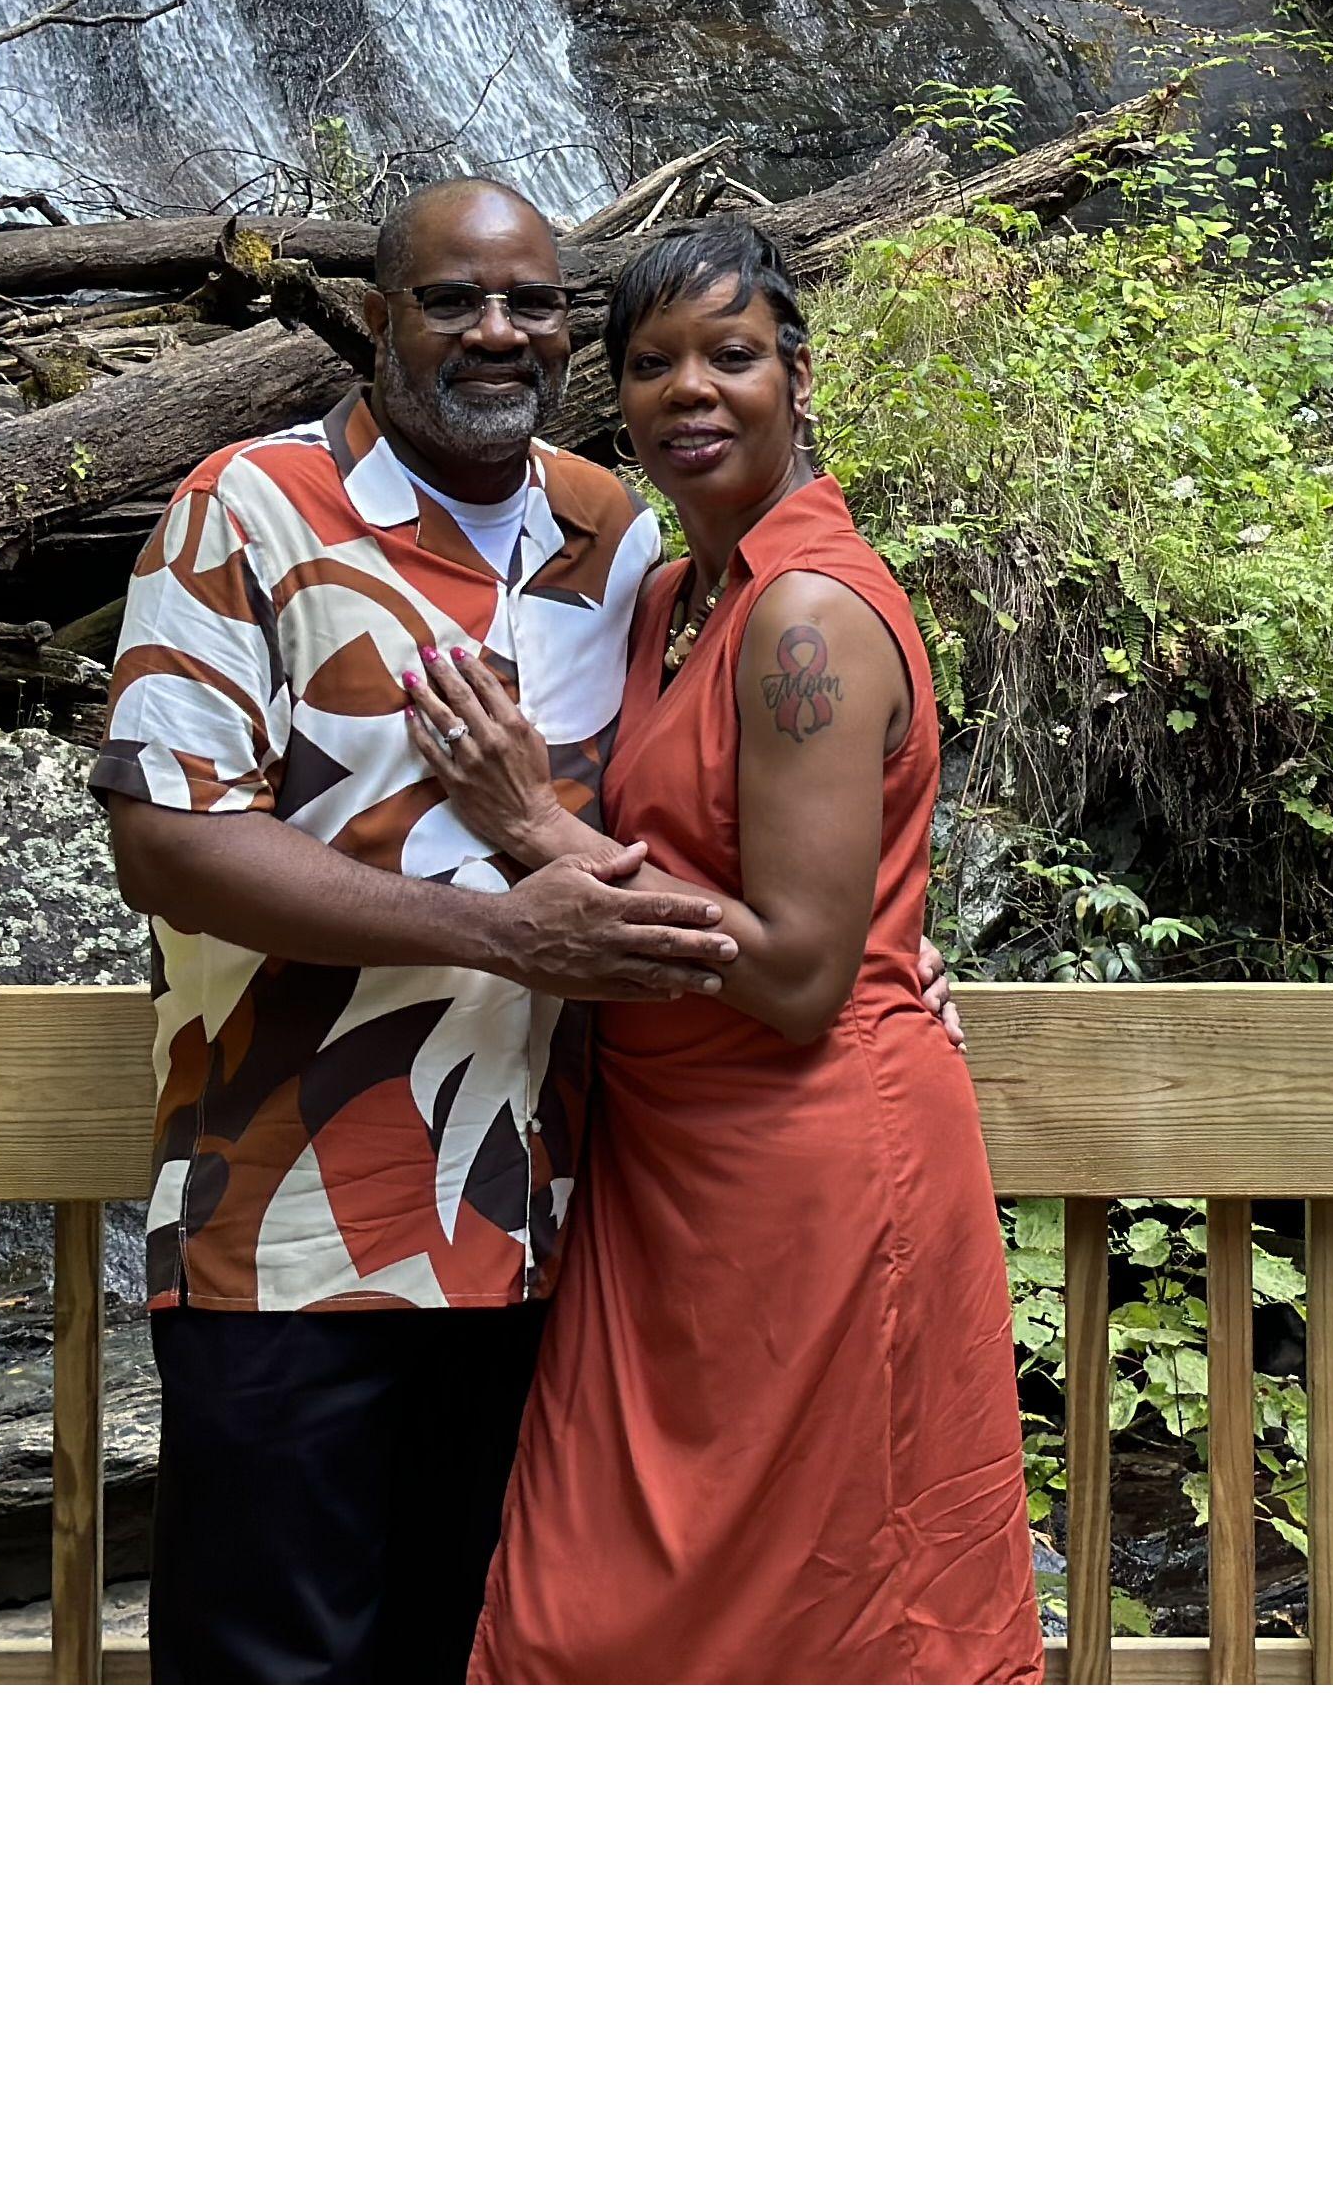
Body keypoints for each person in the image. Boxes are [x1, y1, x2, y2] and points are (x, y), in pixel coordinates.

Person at [95, 176, 741, 1684]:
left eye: (533, 302)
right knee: (278, 1686)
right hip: (296, 1229)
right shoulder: (243, 510)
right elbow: (170, 844)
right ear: (379, 320)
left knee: (487, 1674)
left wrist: (887, 966)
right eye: (454, 300)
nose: (499, 333)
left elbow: (692, 821)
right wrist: (504, 935)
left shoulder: (612, 535)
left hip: (557, 1243)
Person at [405, 213, 1043, 1684]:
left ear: (797, 377)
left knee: (837, 1610)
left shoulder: (802, 615)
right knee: (603, 1597)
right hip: (668, 1168)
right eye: (650, 365)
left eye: (730, 357)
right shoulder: (677, 599)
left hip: (811, 1161)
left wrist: (528, 828)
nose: (689, 390)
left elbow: (807, 976)